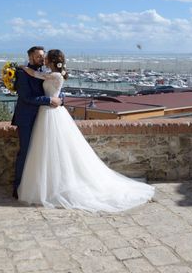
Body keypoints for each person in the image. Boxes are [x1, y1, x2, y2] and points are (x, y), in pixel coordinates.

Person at [17, 49, 155, 211]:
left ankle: (55, 187)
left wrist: (21, 68)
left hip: (51, 113)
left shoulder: (54, 75)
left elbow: (38, 77)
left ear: (53, 61)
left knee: (57, 150)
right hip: (44, 113)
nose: (44, 60)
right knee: (43, 150)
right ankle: (46, 186)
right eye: (41, 57)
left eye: (46, 58)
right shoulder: (50, 73)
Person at [11, 46, 63, 199]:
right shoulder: (22, 73)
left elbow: (57, 88)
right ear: (30, 57)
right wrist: (49, 100)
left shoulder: (46, 73)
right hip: (27, 118)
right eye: (39, 56)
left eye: (43, 56)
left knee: (45, 152)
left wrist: (60, 100)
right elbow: (26, 97)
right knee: (26, 152)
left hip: (44, 117)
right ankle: (19, 187)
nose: (42, 59)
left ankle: (42, 187)